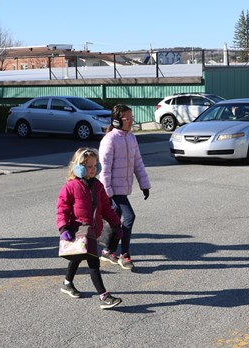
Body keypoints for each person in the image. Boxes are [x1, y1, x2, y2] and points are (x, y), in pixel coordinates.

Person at [56, 148, 123, 309]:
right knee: (93, 262)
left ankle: (67, 283)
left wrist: (116, 225)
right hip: (77, 230)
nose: (93, 169)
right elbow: (62, 208)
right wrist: (63, 227)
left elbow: (106, 208)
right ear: (78, 167)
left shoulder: (98, 186)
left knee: (77, 258)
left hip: (92, 231)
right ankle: (103, 296)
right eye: (88, 166)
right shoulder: (71, 187)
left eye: (95, 166)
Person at [98, 104, 151, 270]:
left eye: (131, 117)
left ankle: (108, 250)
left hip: (123, 188)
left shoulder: (131, 138)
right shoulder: (110, 139)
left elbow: (138, 163)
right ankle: (125, 254)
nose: (130, 121)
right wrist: (107, 193)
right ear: (116, 121)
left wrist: (144, 184)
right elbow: (104, 168)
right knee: (129, 217)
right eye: (127, 118)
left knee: (115, 220)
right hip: (113, 189)